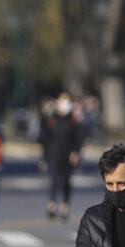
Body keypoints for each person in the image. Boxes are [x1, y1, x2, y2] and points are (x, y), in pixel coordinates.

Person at [39, 92, 83, 221]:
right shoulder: (51, 119)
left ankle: (65, 204)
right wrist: (44, 158)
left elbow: (79, 138)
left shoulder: (73, 121)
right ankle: (52, 205)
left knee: (66, 180)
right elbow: (45, 139)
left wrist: (75, 152)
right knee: (53, 180)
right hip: (53, 154)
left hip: (68, 155)